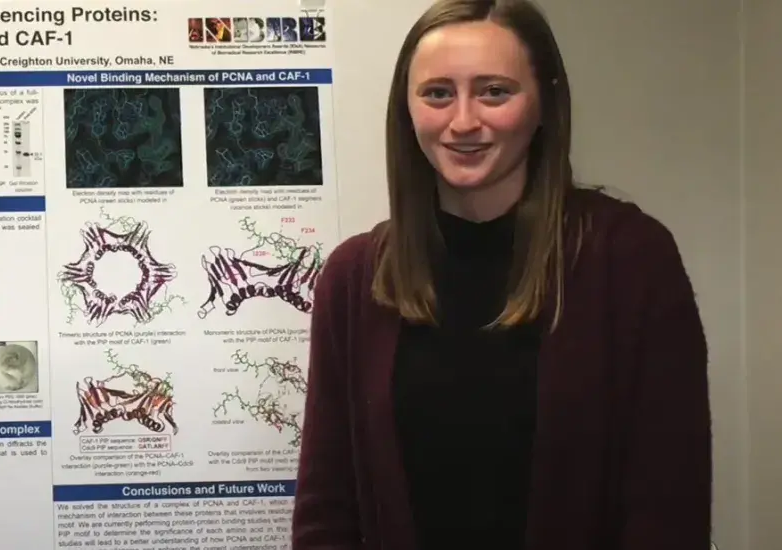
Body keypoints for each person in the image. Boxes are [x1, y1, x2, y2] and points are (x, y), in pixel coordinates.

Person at [291, 0, 712, 548]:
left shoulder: (629, 259)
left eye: (494, 91)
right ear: (406, 110)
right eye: (437, 93)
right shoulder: (354, 280)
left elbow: (668, 505)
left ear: (545, 104)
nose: (464, 121)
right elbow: (327, 511)